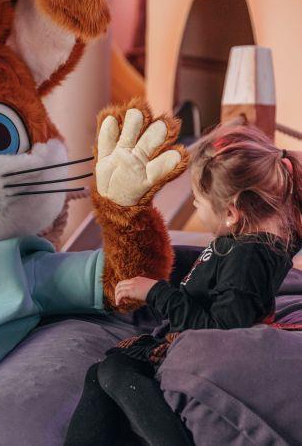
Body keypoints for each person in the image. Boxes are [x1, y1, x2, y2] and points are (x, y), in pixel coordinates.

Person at [65, 125, 302, 446]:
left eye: (198, 200)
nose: (194, 206)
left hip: (194, 351)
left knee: (113, 372)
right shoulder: (242, 241)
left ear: (231, 212)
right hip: (177, 336)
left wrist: (156, 293)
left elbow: (222, 329)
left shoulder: (248, 258)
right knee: (103, 373)